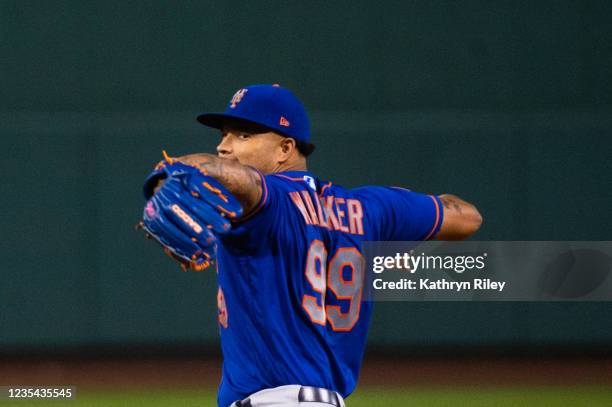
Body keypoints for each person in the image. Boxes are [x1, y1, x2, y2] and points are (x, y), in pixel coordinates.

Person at [160, 84, 482, 407]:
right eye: (224, 135)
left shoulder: (272, 201)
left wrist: (182, 170)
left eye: (243, 135)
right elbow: (467, 217)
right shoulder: (371, 208)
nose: (223, 147)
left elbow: (245, 182)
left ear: (285, 149)